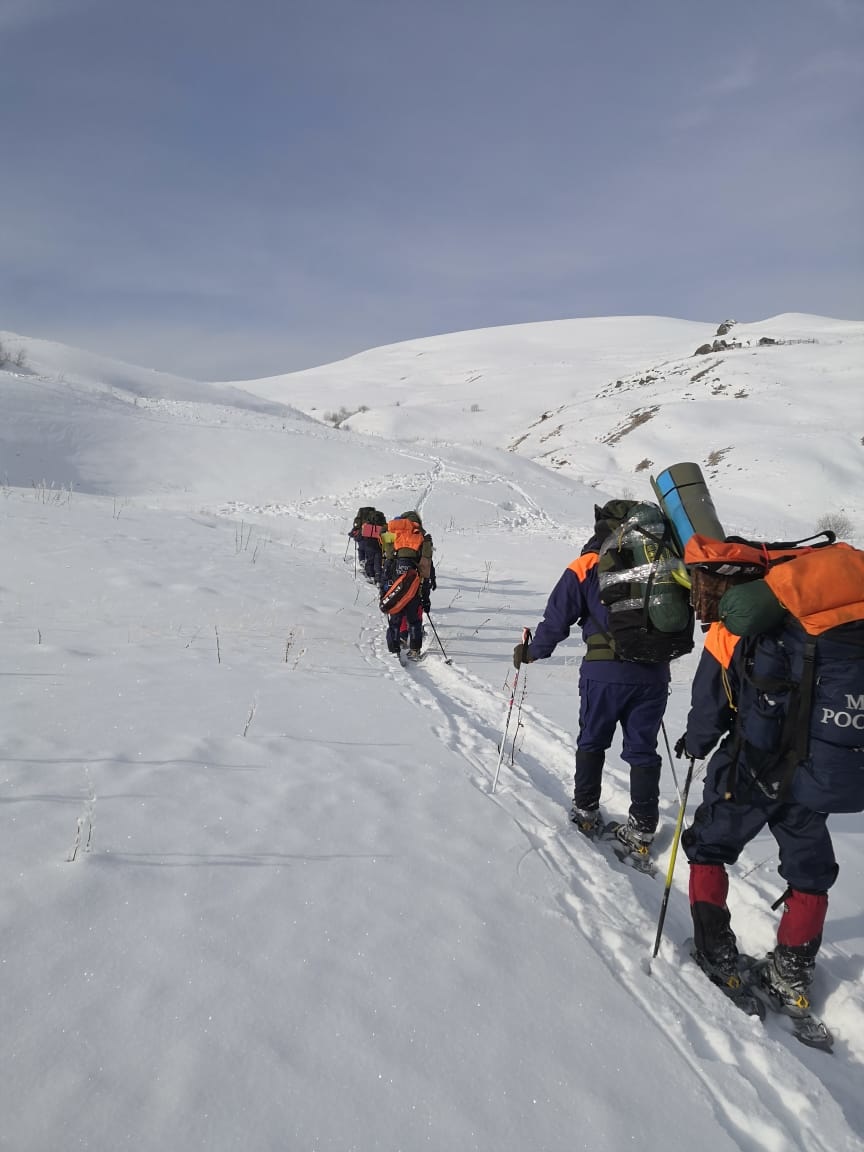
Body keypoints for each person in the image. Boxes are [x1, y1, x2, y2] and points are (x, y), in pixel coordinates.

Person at [678, 545, 864, 1014]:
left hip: (751, 765)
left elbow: (710, 703)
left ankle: (716, 951)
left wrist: (697, 743)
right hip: (820, 767)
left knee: (708, 846)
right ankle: (791, 971)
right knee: (810, 866)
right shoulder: (847, 620)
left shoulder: (739, 628)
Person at [513, 500, 672, 852]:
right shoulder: (659, 561)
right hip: (654, 674)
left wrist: (532, 652)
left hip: (604, 673)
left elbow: (557, 620)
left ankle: (586, 811)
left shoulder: (587, 564)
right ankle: (643, 828)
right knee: (643, 750)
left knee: (593, 741)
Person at [381, 511, 435, 659]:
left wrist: (383, 586)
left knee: (395, 618)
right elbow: (425, 568)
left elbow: (387, 559)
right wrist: (426, 595)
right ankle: (415, 650)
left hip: (396, 584)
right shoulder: (422, 538)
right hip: (414, 586)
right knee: (414, 620)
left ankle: (394, 649)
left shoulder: (393, 534)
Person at [349, 507, 387, 585]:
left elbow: (359, 536)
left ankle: (370, 575)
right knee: (378, 562)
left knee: (370, 561)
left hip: (369, 546)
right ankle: (378, 577)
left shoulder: (366, 526)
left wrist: (354, 536)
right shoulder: (383, 526)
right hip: (380, 546)